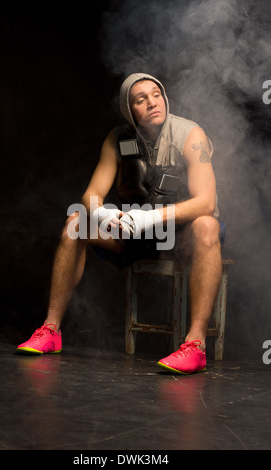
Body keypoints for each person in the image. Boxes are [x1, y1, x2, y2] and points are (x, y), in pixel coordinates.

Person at [16, 73, 223, 374]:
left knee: (208, 225)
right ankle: (50, 330)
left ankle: (195, 346)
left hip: (179, 233)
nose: (153, 102)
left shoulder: (191, 135)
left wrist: (149, 218)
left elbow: (207, 201)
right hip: (135, 231)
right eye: (142, 99)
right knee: (75, 224)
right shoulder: (118, 139)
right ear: (130, 110)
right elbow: (91, 195)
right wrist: (104, 215)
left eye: (156, 94)